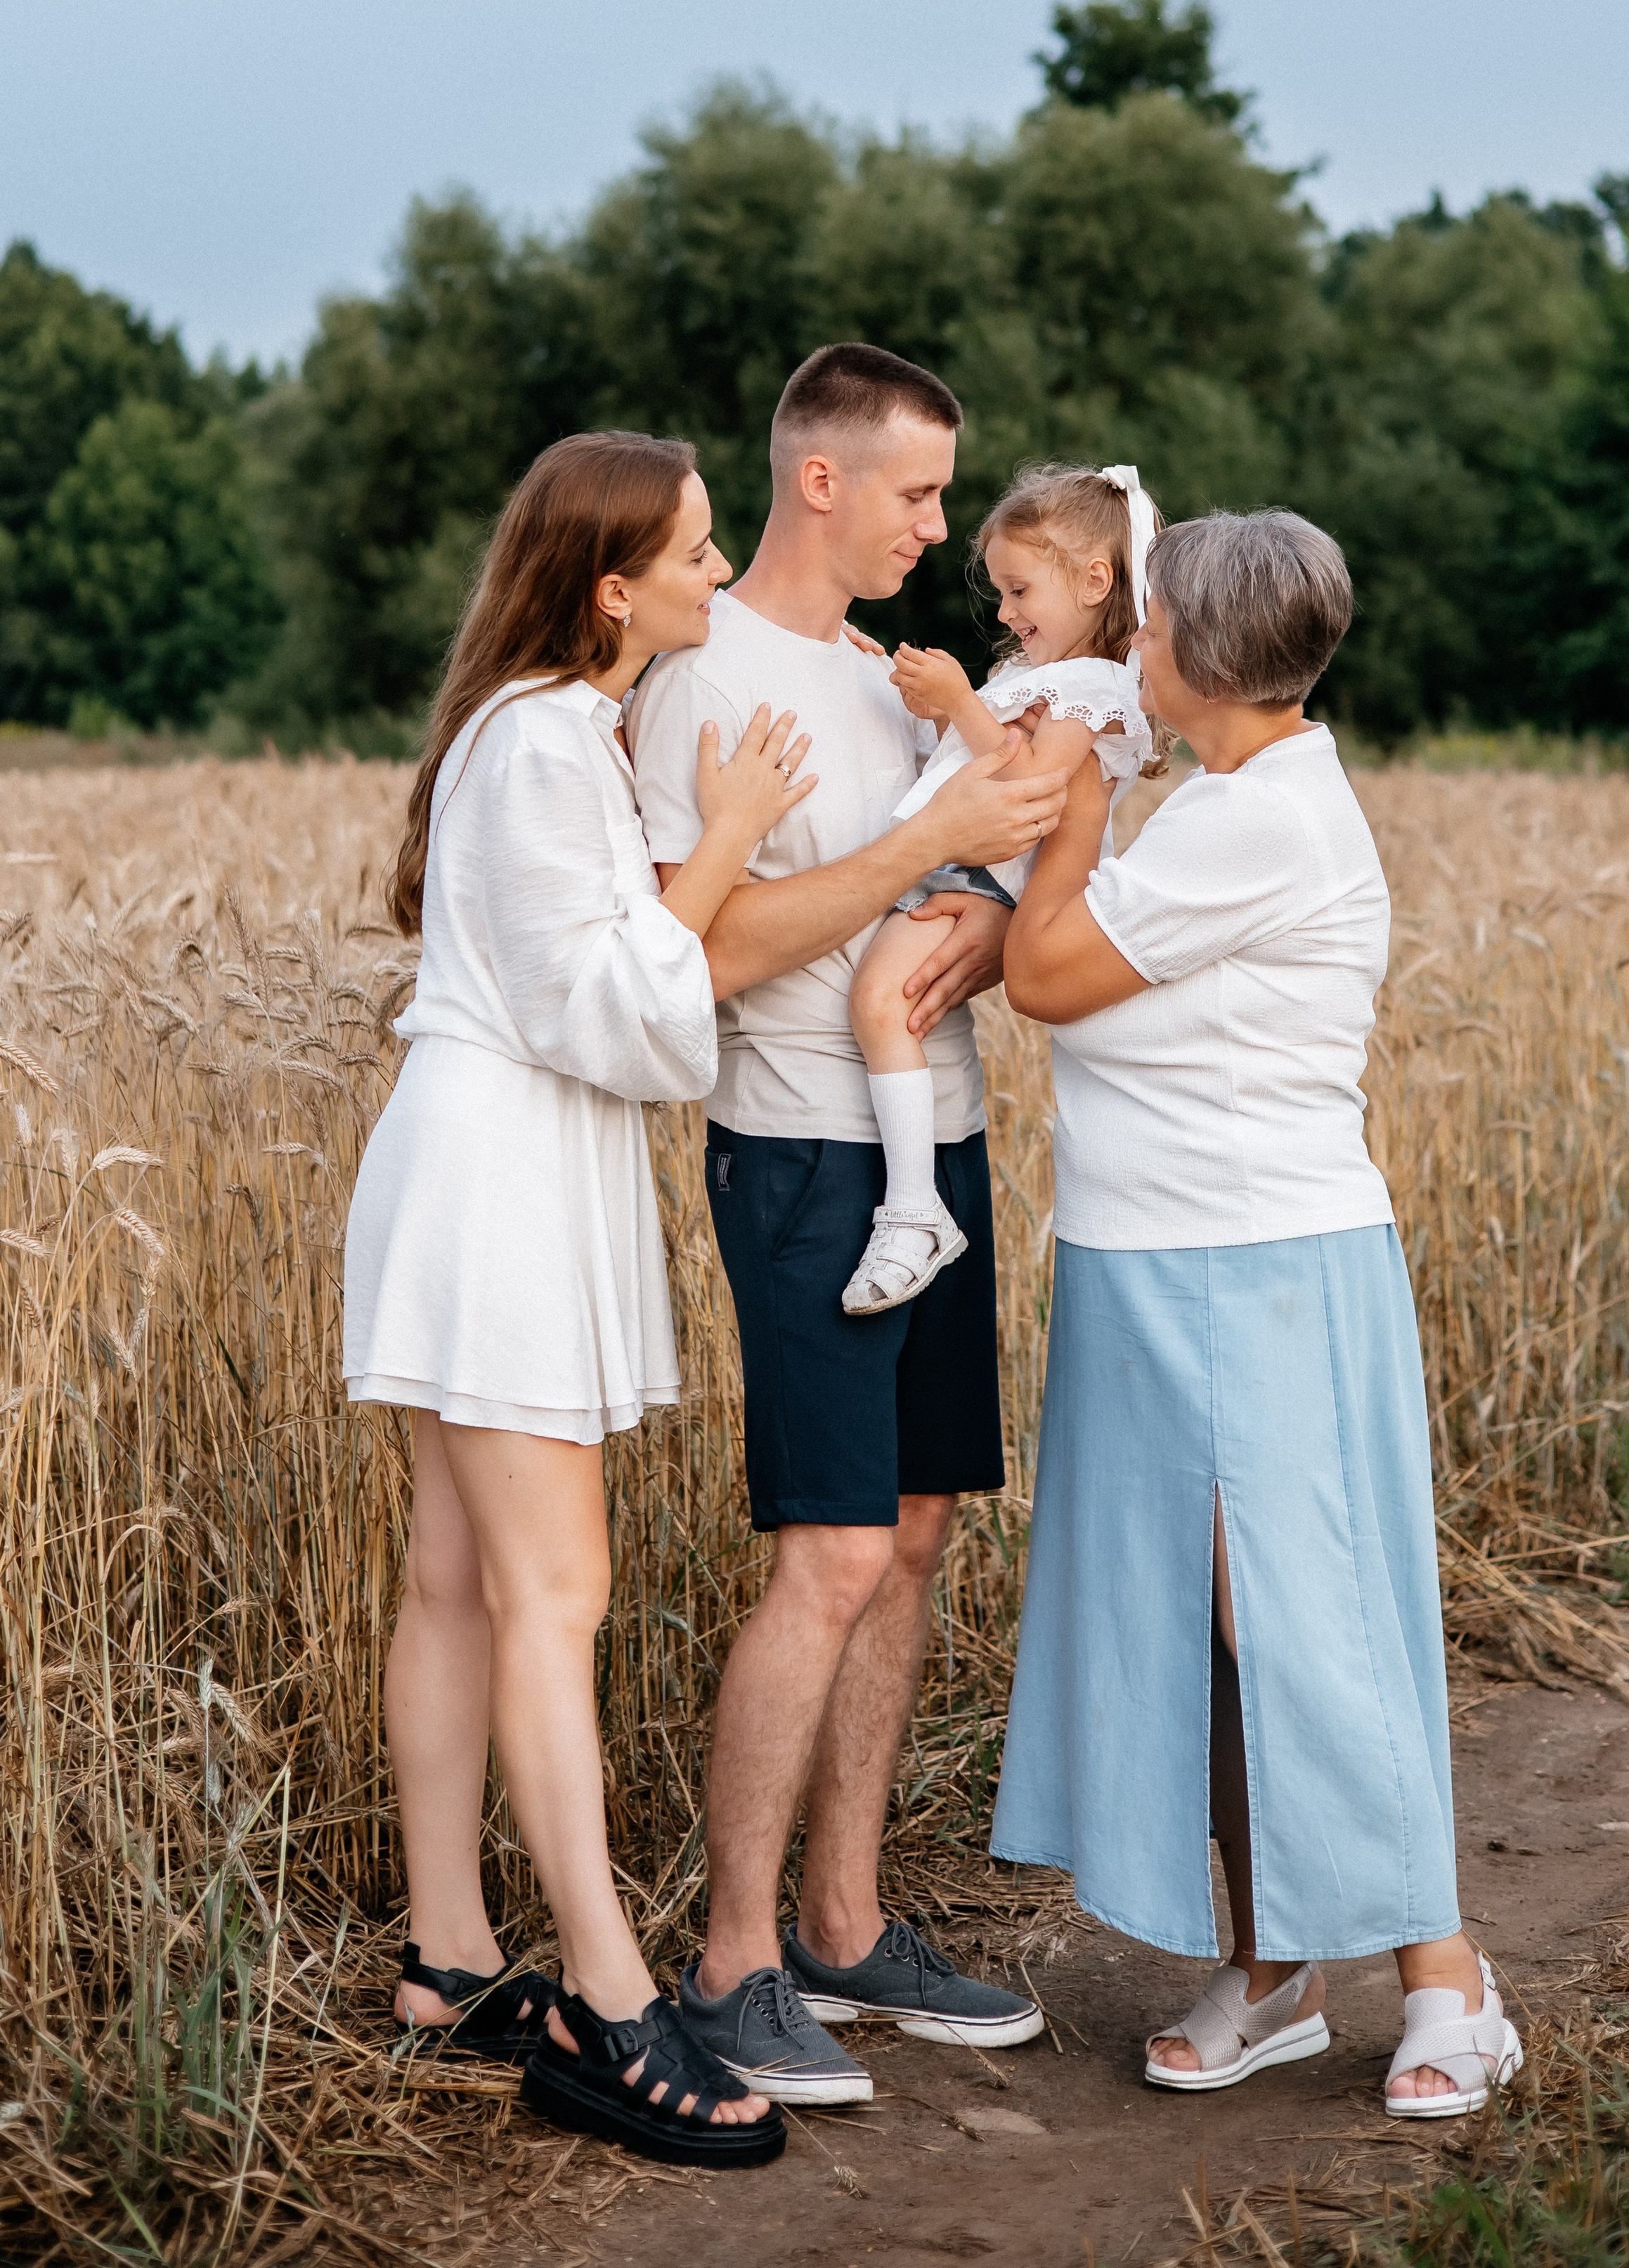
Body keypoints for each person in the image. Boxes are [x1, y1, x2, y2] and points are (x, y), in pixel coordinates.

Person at [990, 507, 1523, 2119]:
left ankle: (1448, 1979)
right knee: (1208, 1634)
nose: (1130, 646)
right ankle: (1275, 1968)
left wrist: (1079, 793)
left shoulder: (1260, 819)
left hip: (1258, 1263)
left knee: (1300, 1619)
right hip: (1152, 1257)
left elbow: (1044, 973)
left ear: (1200, 656)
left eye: (1146, 625)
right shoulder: (1226, 799)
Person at [342, 432, 815, 2171]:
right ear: (612, 589)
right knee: (555, 1590)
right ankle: (608, 2005)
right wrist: (734, 836)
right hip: (500, 1187)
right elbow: (608, 1004)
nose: (718, 572)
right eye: (694, 552)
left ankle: (450, 1961)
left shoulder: (544, 729)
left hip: (489, 1169)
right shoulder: (544, 740)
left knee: (459, 1577)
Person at [630, 344, 1065, 2106]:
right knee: (825, 1553)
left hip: (938, 1144)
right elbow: (706, 953)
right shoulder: (699, 674)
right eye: (916, 492)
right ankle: (731, 1964)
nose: (939, 527)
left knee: (912, 1536)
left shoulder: (895, 679)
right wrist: (929, 839)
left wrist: (987, 915)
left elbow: (969, 894)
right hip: (805, 1155)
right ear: (819, 479)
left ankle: (840, 1920)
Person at [840, 462, 1161, 1316]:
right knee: (885, 1003)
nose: (1009, 611)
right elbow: (969, 754)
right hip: (962, 860)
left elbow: (1025, 786)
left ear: (1094, 582)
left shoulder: (1098, 689)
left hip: (985, 871)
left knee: (879, 1003)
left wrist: (958, 702)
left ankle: (913, 1210)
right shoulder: (1039, 671)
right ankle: (913, 1205)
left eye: (1021, 590)